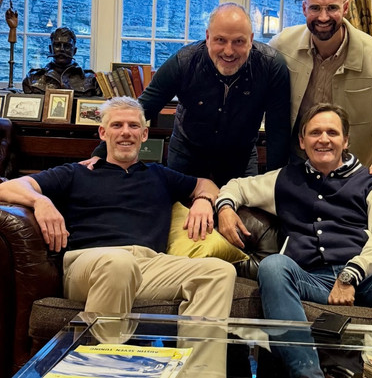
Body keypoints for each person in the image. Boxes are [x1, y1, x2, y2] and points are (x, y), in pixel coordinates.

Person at [216, 103, 372, 377]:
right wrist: (225, 207)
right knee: (273, 266)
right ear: (302, 141)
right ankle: (308, 374)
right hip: (310, 280)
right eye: (315, 133)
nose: (324, 139)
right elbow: (238, 186)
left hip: (369, 282)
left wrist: (350, 276)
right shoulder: (284, 179)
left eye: (332, 132)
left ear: (346, 140)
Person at [0, 96, 235, 322]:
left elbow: (206, 185)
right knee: (119, 263)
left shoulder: (160, 175)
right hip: (89, 264)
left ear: (144, 135)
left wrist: (203, 200)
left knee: (220, 272)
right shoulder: (76, 173)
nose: (125, 132)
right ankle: (100, 350)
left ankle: (196, 353)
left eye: (133, 126)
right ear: (103, 133)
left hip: (149, 265)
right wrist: (40, 201)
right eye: (117, 125)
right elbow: (7, 188)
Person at [88, 2, 291, 187]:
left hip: (240, 157)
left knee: (242, 214)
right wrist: (100, 154)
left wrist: (274, 185)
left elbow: (278, 130)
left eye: (238, 41)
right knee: (181, 213)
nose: (229, 51)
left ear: (251, 40)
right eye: (220, 40)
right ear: (208, 37)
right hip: (187, 155)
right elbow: (141, 110)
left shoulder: (271, 66)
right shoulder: (183, 62)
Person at [269, 0, 372, 192]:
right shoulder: (281, 46)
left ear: (346, 8)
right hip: (295, 167)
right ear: (304, 9)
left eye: (332, 8)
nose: (323, 17)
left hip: (354, 173)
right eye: (315, 8)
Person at [22, 27, 101, 97]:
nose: (62, 49)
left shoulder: (91, 79)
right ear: (50, 49)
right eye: (57, 45)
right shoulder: (32, 78)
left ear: (74, 51)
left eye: (67, 46)